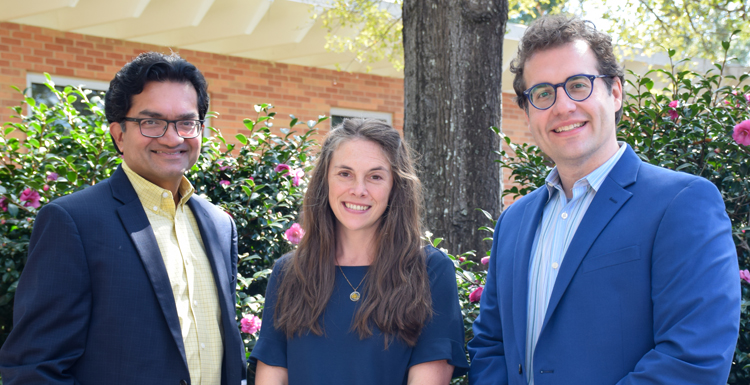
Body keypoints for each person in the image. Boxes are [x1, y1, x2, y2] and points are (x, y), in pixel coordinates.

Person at [468, 15, 740, 385]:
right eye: (543, 93)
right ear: (528, 111)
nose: (562, 106)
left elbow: (693, 361)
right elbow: (491, 346)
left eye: (578, 85)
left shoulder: (682, 204)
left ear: (614, 93)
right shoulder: (513, 222)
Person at [0, 52, 246, 385]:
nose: (173, 138)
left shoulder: (218, 225)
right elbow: (35, 368)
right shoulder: (73, 222)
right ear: (119, 134)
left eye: (187, 122)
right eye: (152, 122)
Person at [250, 118, 469, 384]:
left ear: (395, 186)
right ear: (325, 181)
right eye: (345, 174)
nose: (359, 190)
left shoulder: (430, 271)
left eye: (375, 177)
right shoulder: (288, 273)